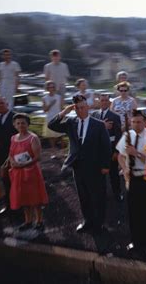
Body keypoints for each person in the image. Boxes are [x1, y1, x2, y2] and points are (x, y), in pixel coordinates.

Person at [48, 95, 111, 234]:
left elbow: (106, 147)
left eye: (82, 107)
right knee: (83, 196)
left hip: (95, 167)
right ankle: (87, 221)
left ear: (87, 107)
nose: (80, 110)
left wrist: (105, 166)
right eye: (77, 108)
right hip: (78, 167)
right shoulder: (71, 122)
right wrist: (64, 111)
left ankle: (99, 224)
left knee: (97, 196)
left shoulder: (98, 124)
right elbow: (51, 125)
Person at [117, 109, 146, 252]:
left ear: (145, 122)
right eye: (133, 122)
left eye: (139, 122)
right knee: (133, 211)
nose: (136, 125)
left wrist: (136, 153)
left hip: (145, 177)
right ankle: (135, 240)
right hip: (131, 178)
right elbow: (120, 155)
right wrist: (124, 169)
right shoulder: (127, 135)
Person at [8, 113, 48, 231]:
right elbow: (10, 154)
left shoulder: (33, 138)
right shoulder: (13, 138)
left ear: (28, 124)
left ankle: (39, 221)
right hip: (18, 173)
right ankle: (28, 221)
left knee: (35, 198)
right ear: (14, 125)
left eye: (23, 123)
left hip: (31, 172)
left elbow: (38, 157)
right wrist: (12, 162)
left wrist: (24, 164)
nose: (21, 125)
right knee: (24, 198)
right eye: (18, 123)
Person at [91, 94, 123, 202]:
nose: (104, 102)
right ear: (99, 102)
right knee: (99, 175)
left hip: (111, 149)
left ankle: (117, 193)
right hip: (98, 150)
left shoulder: (115, 116)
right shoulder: (94, 115)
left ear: (109, 102)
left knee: (114, 174)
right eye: (102, 100)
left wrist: (116, 151)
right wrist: (102, 125)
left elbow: (119, 136)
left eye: (106, 100)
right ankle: (101, 195)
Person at [42, 81, 64, 153]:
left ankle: (62, 152)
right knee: (51, 136)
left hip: (58, 117)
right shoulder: (44, 98)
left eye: (53, 87)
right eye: (50, 87)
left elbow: (62, 108)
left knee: (60, 136)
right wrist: (51, 104)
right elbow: (45, 110)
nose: (52, 88)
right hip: (50, 118)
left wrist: (63, 117)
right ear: (47, 88)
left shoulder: (59, 97)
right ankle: (54, 151)